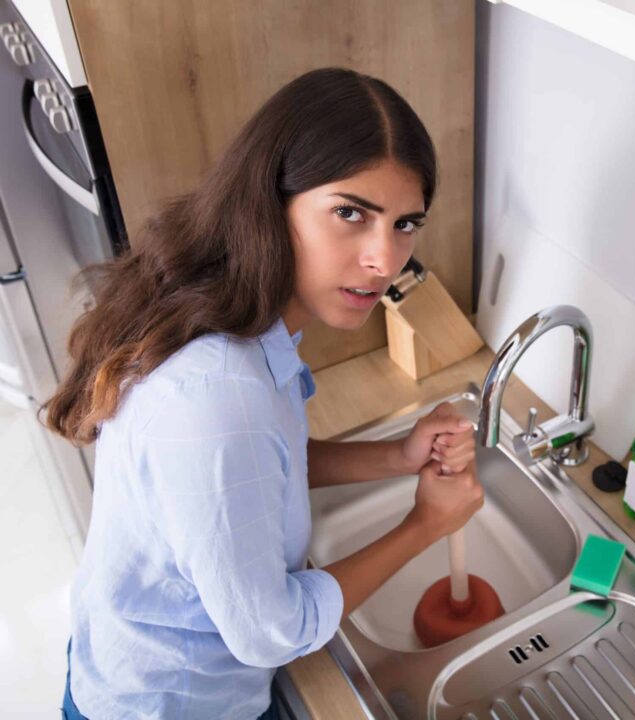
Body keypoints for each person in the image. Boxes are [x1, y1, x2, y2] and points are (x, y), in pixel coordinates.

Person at [44, 67, 483, 719]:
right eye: (350, 213)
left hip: (129, 668)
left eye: (404, 223)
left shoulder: (239, 317)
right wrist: (426, 525)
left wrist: (398, 456)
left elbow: (267, 467)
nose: (385, 261)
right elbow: (268, 631)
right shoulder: (216, 392)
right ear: (270, 203)